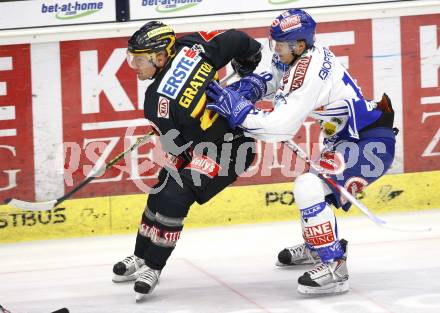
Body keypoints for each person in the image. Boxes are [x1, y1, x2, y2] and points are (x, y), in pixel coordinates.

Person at [206, 9, 396, 295]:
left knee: (308, 186)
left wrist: (239, 110)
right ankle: (317, 247)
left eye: (280, 46)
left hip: (371, 145)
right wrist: (250, 87)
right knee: (313, 188)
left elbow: (278, 128)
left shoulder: (309, 72)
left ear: (299, 45)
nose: (275, 50)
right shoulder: (297, 53)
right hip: (345, 140)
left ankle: (335, 266)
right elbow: (271, 76)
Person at [112, 21, 262, 301]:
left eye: (140, 60)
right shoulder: (193, 47)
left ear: (160, 57)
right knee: (160, 190)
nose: (135, 67)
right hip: (211, 143)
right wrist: (249, 59)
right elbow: (237, 39)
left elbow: (178, 146)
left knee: (175, 194)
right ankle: (141, 256)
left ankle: (154, 267)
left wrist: (163, 128)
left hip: (230, 151)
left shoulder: (156, 101)